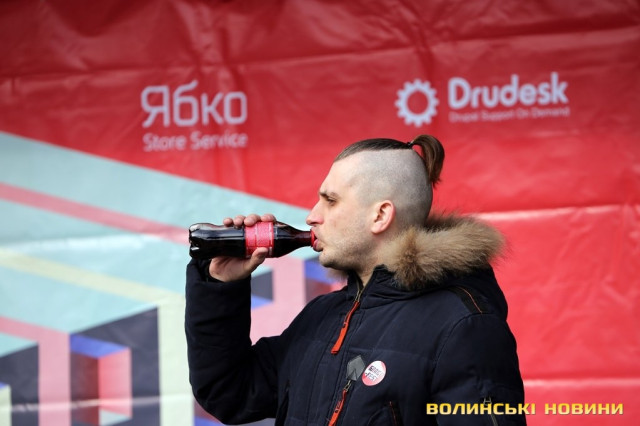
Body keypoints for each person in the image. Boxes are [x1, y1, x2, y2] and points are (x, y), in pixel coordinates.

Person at [185, 135, 526, 425]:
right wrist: (219, 284)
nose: (312, 216)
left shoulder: (464, 327)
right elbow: (229, 393)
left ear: (380, 215)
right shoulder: (321, 315)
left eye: (330, 201)